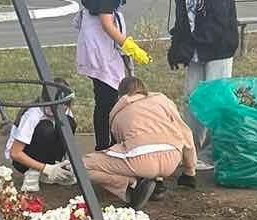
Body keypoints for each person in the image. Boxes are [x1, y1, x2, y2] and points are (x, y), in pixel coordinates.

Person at [167, 0, 238, 171]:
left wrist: (192, 44)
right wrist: (177, 43)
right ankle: (191, 151)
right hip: (194, 43)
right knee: (192, 98)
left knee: (217, 99)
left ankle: (213, 152)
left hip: (218, 44)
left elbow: (219, 15)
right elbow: (181, 13)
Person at [77, 0, 153, 151]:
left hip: (108, 41)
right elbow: (106, 22)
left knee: (114, 93)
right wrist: (129, 45)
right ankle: (104, 147)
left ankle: (113, 143)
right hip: (98, 43)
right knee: (106, 97)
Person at [83, 77, 196, 209]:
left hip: (140, 160)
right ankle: (156, 182)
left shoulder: (116, 113)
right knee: (149, 152)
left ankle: (130, 185)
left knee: (81, 166)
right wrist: (190, 171)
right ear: (143, 90)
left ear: (120, 95)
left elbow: (124, 148)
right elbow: (186, 134)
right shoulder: (163, 101)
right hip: (172, 157)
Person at [6, 96, 78, 195]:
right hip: (21, 160)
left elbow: (64, 140)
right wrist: (46, 168)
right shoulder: (32, 114)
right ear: (43, 100)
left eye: (60, 106)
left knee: (68, 123)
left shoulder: (65, 111)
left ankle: (55, 167)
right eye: (51, 105)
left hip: (47, 153)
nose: (54, 109)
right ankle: (33, 172)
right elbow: (15, 153)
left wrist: (66, 163)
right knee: (46, 127)